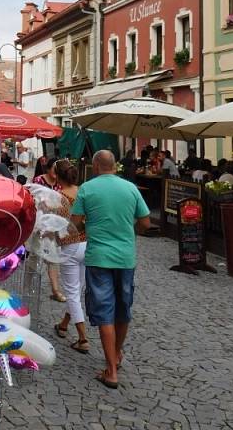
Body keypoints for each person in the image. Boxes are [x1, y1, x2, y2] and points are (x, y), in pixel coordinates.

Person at [71, 150, 150, 389]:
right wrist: (128, 232)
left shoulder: (86, 188)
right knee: (123, 307)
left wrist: (89, 224)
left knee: (105, 309)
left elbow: (75, 223)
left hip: (98, 258)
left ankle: (111, 371)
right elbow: (146, 223)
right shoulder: (131, 188)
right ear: (115, 166)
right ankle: (116, 354)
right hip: (125, 258)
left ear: (95, 166)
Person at [53, 160, 89, 352]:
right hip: (87, 244)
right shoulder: (83, 191)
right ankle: (64, 324)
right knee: (78, 289)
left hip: (70, 246)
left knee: (72, 293)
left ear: (58, 176)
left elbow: (57, 225)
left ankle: (83, 338)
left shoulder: (59, 197)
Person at [32, 159, 65, 302]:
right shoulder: (38, 180)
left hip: (53, 226)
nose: (56, 173)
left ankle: (55, 290)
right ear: (48, 169)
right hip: (39, 225)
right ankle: (28, 288)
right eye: (54, 169)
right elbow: (35, 201)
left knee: (52, 258)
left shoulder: (60, 184)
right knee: (34, 256)